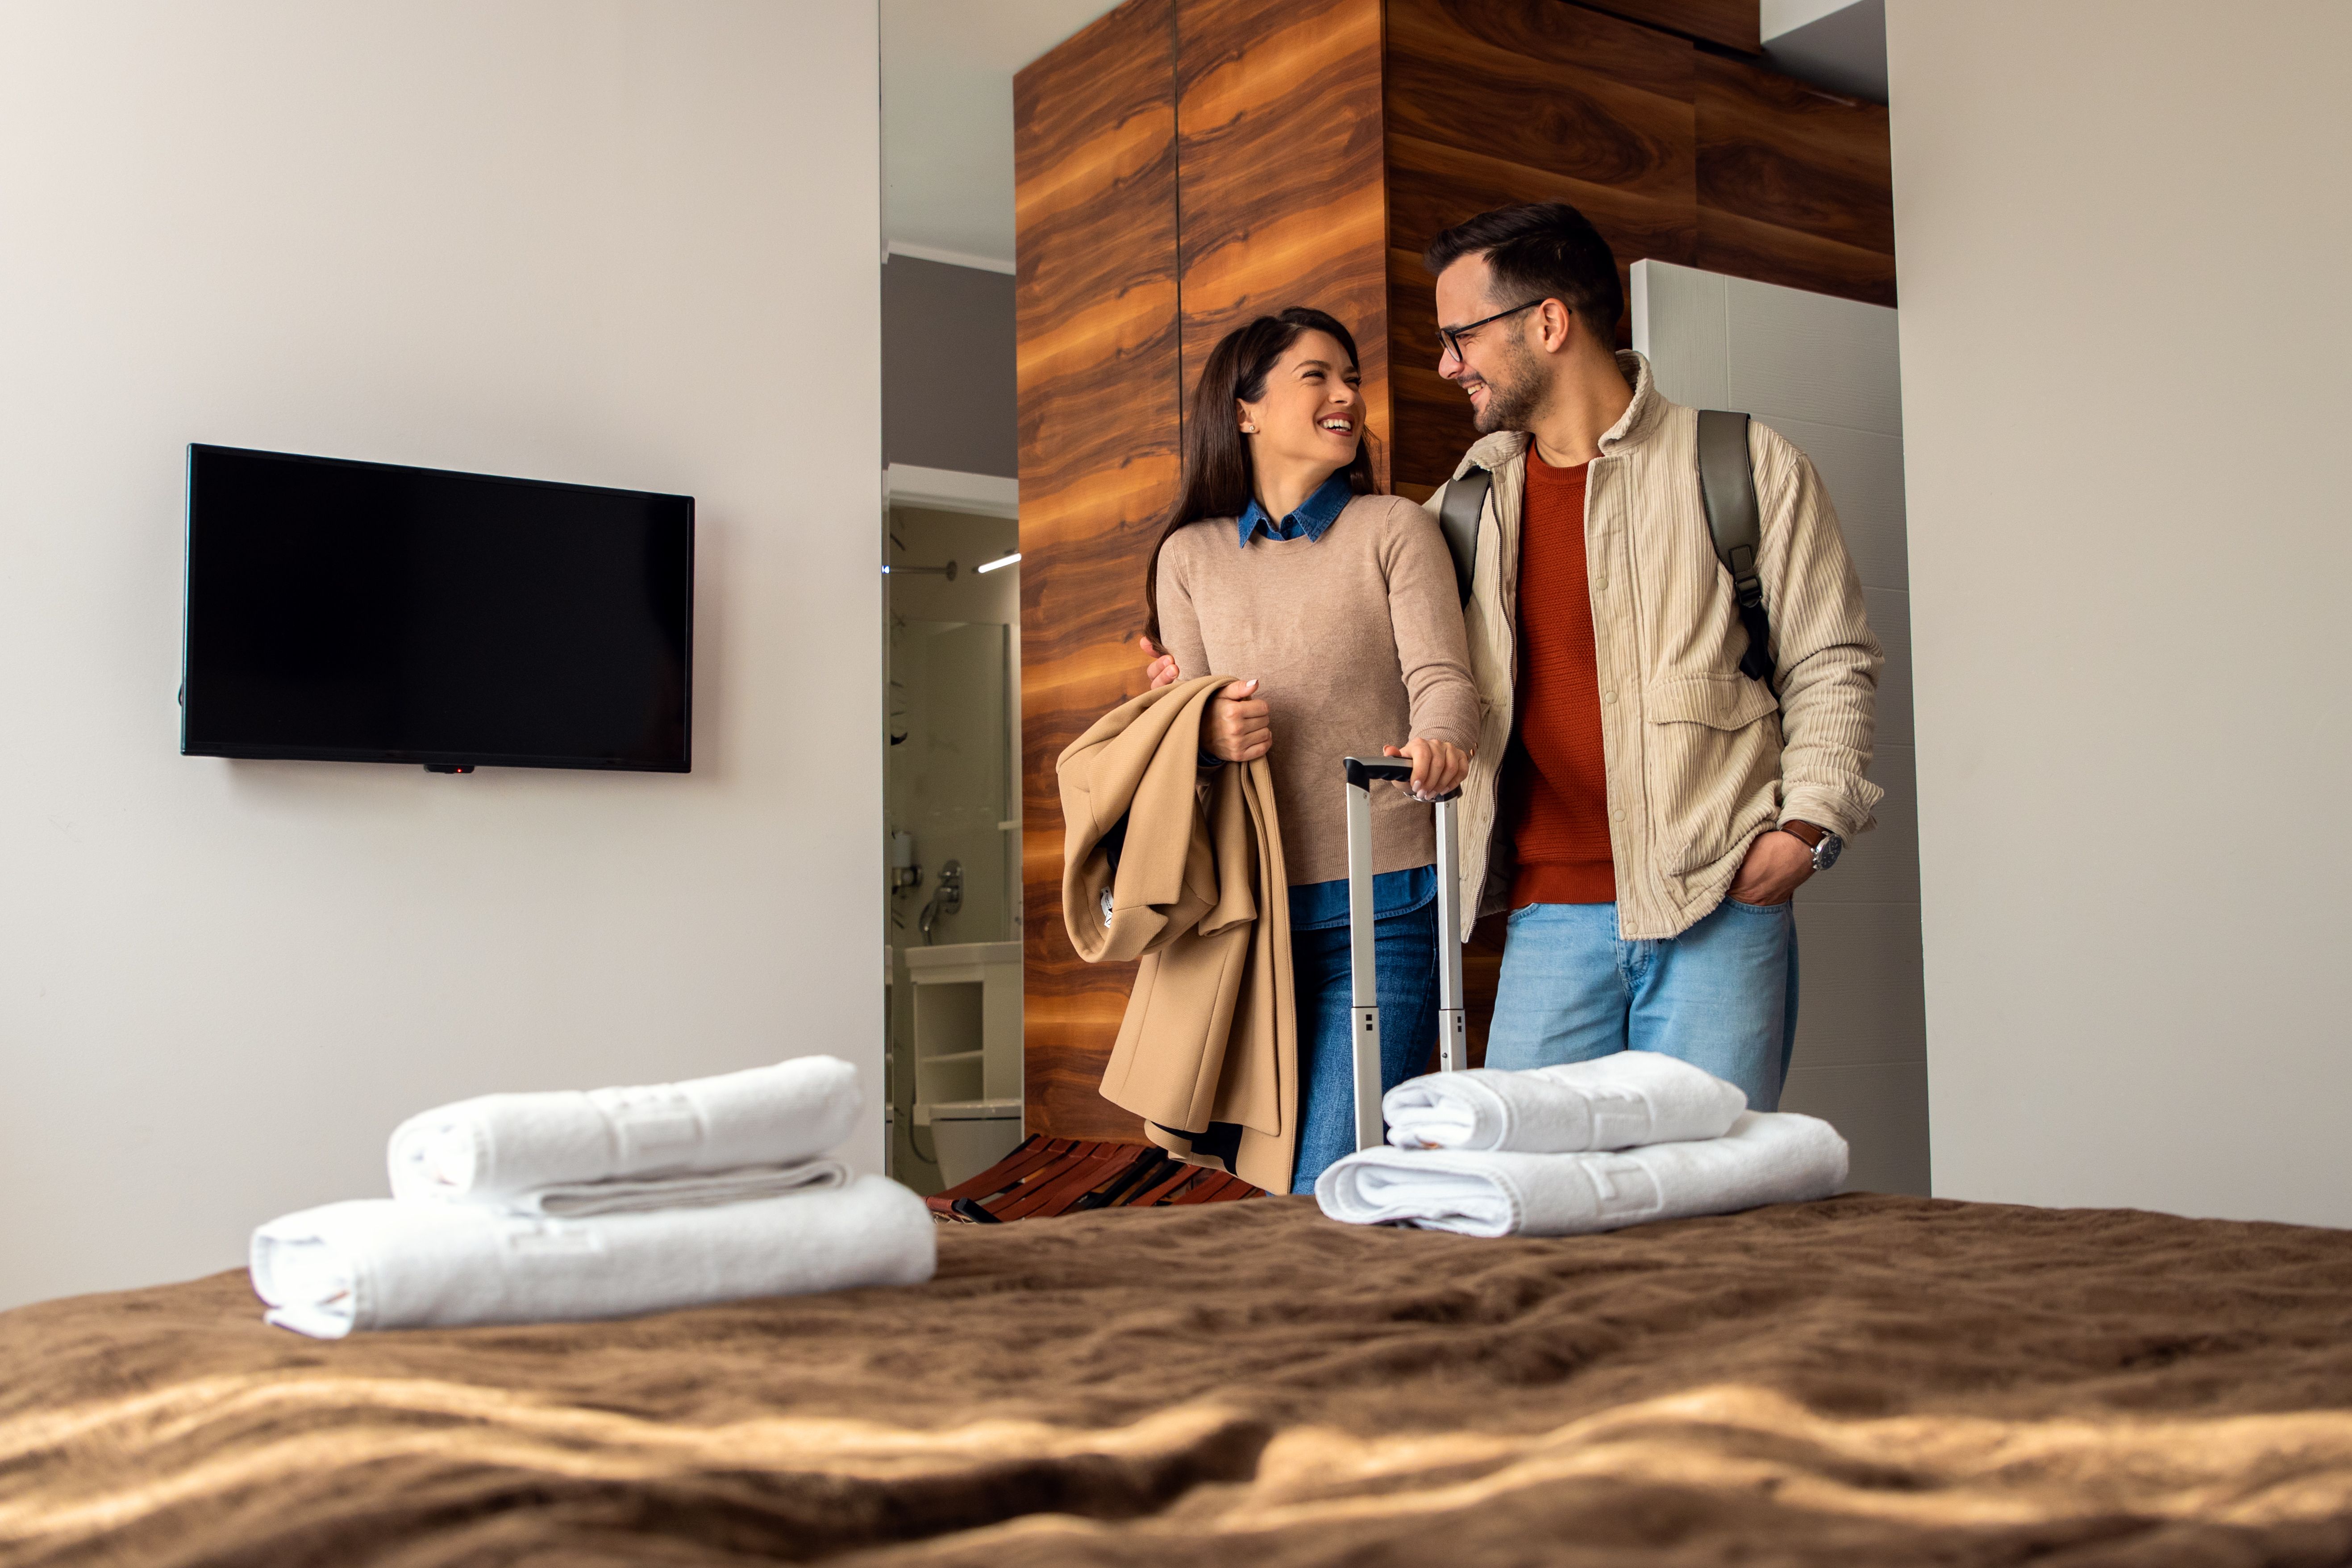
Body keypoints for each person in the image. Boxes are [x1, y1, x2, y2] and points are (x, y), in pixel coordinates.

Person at [1145, 206, 1881, 1112]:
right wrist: (1187, 700)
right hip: (1547, 924)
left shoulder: (1742, 463)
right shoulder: (1462, 505)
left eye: (1459, 336)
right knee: (1526, 1179)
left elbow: (1831, 660)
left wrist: (1805, 831)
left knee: (1710, 1181)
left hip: (1718, 899)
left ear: (1547, 323)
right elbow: (1352, 645)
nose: (1446, 364)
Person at [1140, 306, 1479, 1193]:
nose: (1346, 396)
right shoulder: (1188, 558)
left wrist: (1442, 738)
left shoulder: (1393, 529)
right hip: (1246, 918)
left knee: (1324, 1179)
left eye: (1352, 378)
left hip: (1388, 900)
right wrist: (1204, 732)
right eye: (1317, 375)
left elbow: (1443, 675)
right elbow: (1187, 728)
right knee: (1255, 1180)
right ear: (1244, 410)